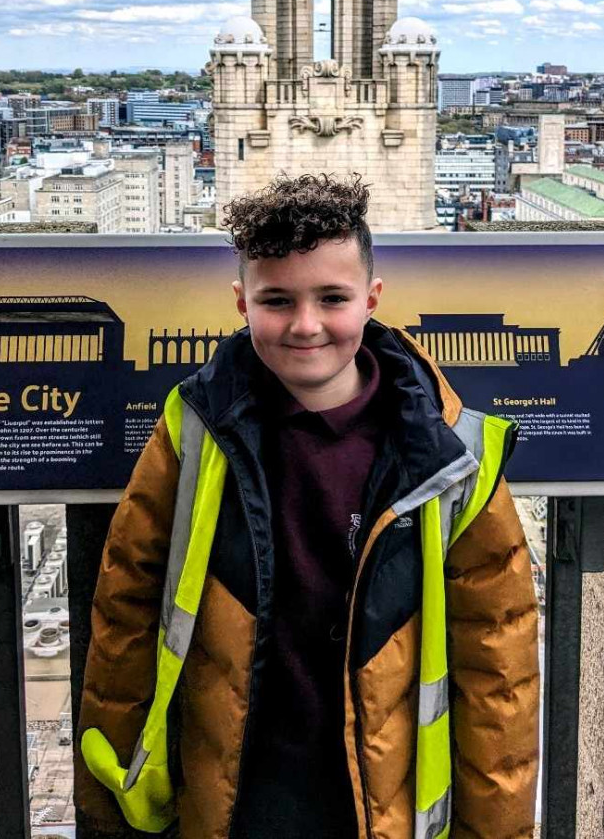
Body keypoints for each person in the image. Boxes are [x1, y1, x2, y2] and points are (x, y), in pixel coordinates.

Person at [76, 174, 540, 839]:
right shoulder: (194, 429)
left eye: (332, 298)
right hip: (236, 792)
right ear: (241, 302)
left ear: (372, 299)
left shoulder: (455, 457)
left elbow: (500, 675)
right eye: (277, 300)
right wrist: (106, 813)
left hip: (381, 800)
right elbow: (125, 611)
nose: (305, 325)